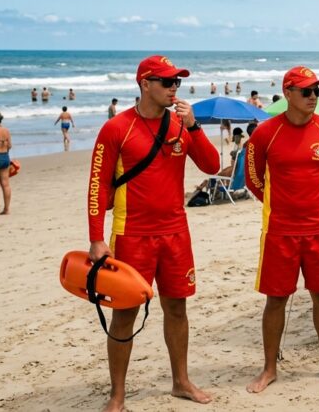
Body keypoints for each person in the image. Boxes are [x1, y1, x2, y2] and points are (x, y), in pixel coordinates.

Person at [85, 55, 220, 412]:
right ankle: (117, 394)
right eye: (166, 82)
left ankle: (181, 382)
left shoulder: (180, 126)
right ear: (145, 84)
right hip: (132, 235)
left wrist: (193, 126)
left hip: (176, 233)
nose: (174, 88)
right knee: (124, 314)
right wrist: (96, 238)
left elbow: (212, 165)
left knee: (177, 308)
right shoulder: (117, 128)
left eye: (177, 82)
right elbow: (98, 184)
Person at [244, 66, 319, 393]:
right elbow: (253, 179)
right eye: (306, 91)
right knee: (275, 299)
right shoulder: (265, 133)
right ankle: (268, 369)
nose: (313, 97)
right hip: (279, 231)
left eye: (316, 92)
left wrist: (313, 203)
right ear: (288, 92)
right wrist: (283, 203)